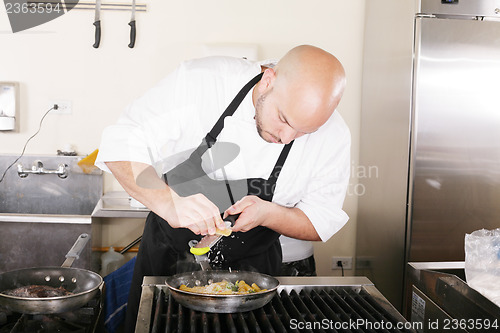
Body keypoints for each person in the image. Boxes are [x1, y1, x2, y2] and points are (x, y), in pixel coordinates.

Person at [95, 45, 350, 332]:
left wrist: (267, 214)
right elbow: (121, 142)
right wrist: (168, 202)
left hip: (256, 281)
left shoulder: (334, 135)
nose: (286, 137)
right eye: (283, 119)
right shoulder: (203, 82)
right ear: (268, 80)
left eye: (304, 132)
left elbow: (320, 221)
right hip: (166, 263)